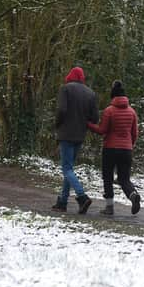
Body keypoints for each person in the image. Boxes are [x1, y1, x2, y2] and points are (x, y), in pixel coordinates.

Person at [88, 80, 141, 215]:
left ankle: (109, 207)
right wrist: (130, 145)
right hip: (126, 150)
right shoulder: (132, 112)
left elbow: (102, 130)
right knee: (124, 179)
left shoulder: (109, 111)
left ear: (113, 96)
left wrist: (88, 125)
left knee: (108, 177)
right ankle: (133, 195)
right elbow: (134, 133)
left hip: (110, 149)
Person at [52, 66, 99, 214]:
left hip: (66, 133)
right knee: (69, 168)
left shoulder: (65, 89)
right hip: (80, 135)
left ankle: (82, 196)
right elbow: (95, 118)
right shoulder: (90, 93)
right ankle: (62, 203)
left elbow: (61, 110)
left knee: (66, 168)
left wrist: (57, 124)